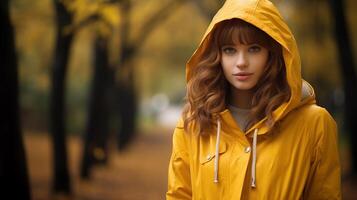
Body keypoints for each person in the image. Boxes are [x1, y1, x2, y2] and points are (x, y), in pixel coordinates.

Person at [166, 0, 341, 199]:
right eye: (230, 50)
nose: (241, 62)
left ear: (272, 53)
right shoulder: (193, 123)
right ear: (218, 56)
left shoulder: (315, 124)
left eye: (254, 48)